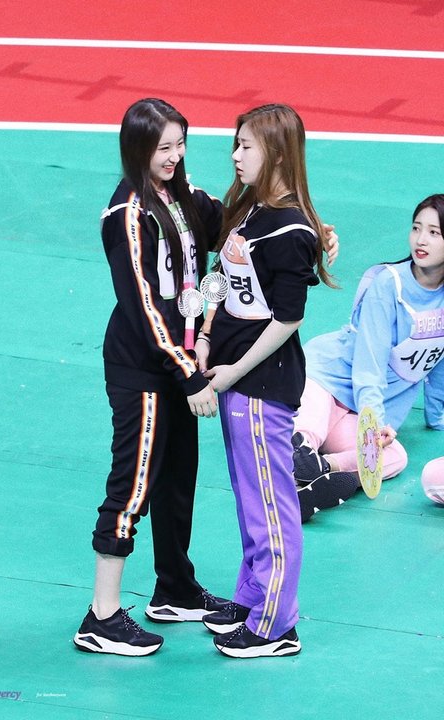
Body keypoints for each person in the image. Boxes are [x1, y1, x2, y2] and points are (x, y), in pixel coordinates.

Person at [73, 98, 230, 657]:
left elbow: (234, 223)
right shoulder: (126, 214)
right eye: (164, 147)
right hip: (143, 369)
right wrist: (190, 374)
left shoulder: (184, 196)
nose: (174, 156)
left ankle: (175, 589)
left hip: (177, 364)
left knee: (177, 478)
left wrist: (306, 231)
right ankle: (102, 616)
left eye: (180, 144)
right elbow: (143, 307)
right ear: (138, 149)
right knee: (133, 484)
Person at [195, 103, 337, 658]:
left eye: (246, 146)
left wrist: (232, 370)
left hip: (261, 384)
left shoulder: (291, 230)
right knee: (250, 500)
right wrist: (206, 333)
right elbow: (223, 279)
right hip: (234, 375)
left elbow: (288, 318)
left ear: (276, 153)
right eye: (236, 144)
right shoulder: (251, 208)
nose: (235, 155)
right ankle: (254, 597)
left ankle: (277, 625)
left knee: (271, 505)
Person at [291, 194, 444, 522]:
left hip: (357, 412)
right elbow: (369, 364)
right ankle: (302, 461)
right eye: (416, 228)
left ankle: (320, 471)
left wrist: (437, 416)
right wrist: (375, 422)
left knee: (395, 457)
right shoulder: (389, 284)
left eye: (434, 232)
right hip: (325, 379)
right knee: (308, 431)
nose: (421, 239)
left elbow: (439, 361)